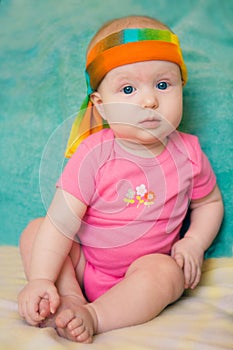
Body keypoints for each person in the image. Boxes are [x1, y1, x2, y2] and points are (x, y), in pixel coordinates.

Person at [17, 15, 224, 344]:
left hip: (143, 271)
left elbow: (210, 202)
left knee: (167, 274)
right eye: (128, 89)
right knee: (35, 231)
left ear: (180, 86)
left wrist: (194, 242)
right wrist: (42, 277)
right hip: (88, 265)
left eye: (163, 84)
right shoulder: (93, 154)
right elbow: (60, 224)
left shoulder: (189, 153)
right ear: (101, 105)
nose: (149, 101)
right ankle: (70, 297)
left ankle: (96, 315)